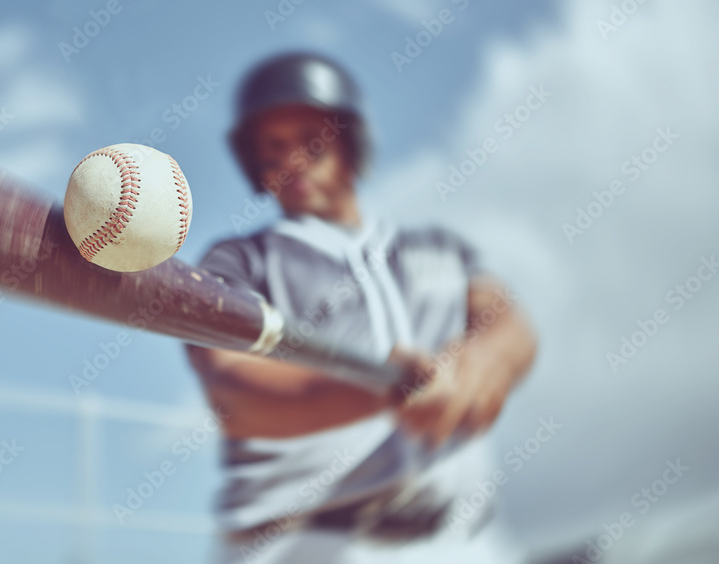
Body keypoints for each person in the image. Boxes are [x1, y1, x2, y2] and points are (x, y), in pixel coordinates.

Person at [185, 52, 538, 563]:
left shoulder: (437, 247)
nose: (293, 162)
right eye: (273, 147)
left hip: (469, 540)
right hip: (302, 546)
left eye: (312, 141)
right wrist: (386, 388)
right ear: (254, 164)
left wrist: (483, 365)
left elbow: (505, 319)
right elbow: (230, 388)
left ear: (352, 146)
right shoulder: (239, 260)